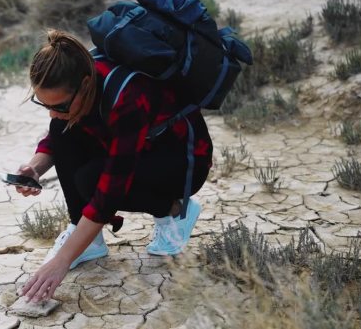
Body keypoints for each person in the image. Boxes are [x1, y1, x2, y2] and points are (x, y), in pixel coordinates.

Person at [15, 29, 213, 304]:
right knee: (62, 130)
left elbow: (109, 193)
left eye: (58, 105)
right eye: (44, 104)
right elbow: (58, 133)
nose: (52, 112)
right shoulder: (77, 79)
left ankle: (175, 211)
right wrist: (35, 168)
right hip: (138, 147)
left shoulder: (127, 98)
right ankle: (88, 242)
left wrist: (60, 263)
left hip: (181, 160)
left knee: (91, 180)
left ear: (85, 85)